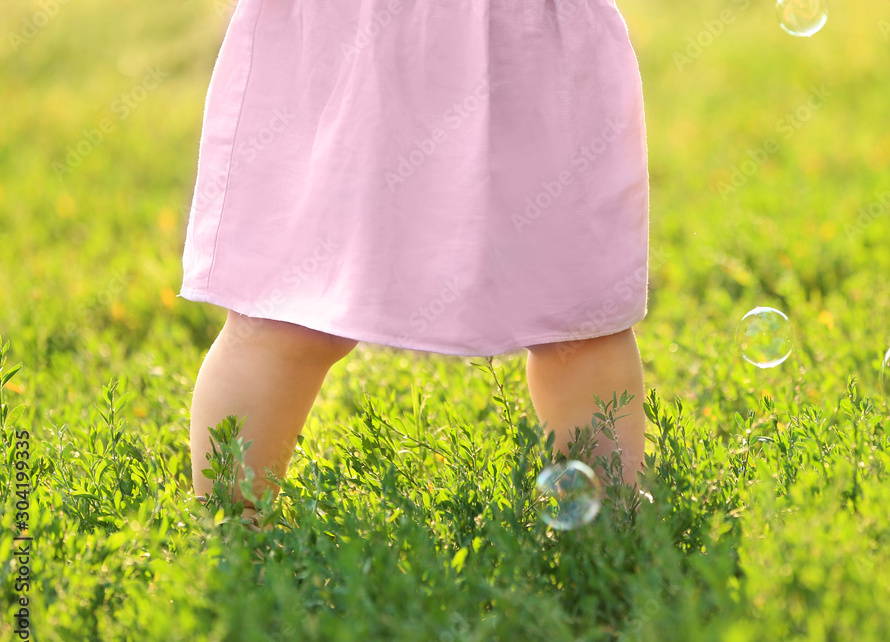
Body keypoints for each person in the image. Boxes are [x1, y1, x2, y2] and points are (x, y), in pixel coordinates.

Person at [178, 0, 650, 526]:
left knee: (577, 317)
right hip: (364, 38)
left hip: (520, 42)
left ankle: (613, 519)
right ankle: (229, 522)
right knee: (278, 312)